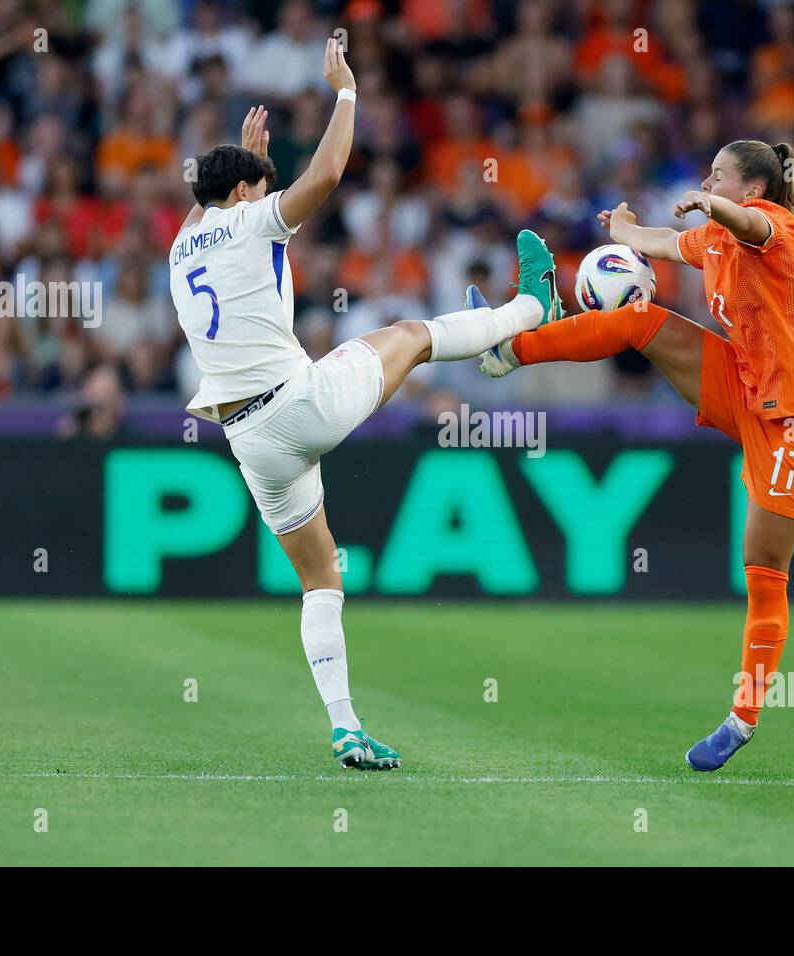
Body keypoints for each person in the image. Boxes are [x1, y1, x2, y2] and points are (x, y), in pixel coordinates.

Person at [169, 40, 561, 770]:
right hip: (297, 403)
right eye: (261, 184)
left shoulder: (181, 248)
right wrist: (345, 93)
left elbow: (217, 207)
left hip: (248, 441)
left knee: (322, 581)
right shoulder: (256, 218)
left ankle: (345, 726)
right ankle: (529, 312)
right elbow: (328, 172)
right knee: (409, 334)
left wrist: (245, 159)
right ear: (249, 194)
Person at [476, 139, 794, 772]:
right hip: (747, 385)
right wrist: (623, 228)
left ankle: (742, 718)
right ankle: (512, 346)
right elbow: (665, 243)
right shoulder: (716, 241)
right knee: (643, 321)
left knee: (763, 562)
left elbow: (749, 224)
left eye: (718, 177)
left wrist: (712, 207)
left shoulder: (771, 228)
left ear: (749, 190)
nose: (705, 181)